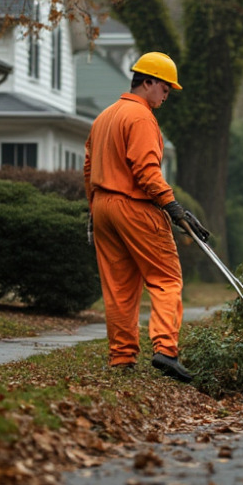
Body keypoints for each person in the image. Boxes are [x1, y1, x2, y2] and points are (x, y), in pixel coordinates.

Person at [84, 51, 209, 383]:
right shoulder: (140, 117)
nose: (166, 95)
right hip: (134, 206)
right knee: (166, 279)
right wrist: (172, 205)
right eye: (165, 88)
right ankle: (165, 349)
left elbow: (88, 167)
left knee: (119, 287)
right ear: (148, 82)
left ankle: (122, 357)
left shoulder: (104, 117)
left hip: (103, 207)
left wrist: (93, 210)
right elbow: (146, 170)